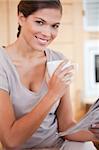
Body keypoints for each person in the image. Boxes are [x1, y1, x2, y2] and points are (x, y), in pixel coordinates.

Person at [0, 0, 98, 149]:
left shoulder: (58, 61)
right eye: (40, 22)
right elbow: (11, 142)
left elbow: (66, 127)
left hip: (59, 144)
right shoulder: (2, 63)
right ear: (21, 18)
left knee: (87, 146)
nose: (47, 33)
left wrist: (94, 133)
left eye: (55, 26)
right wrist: (52, 93)